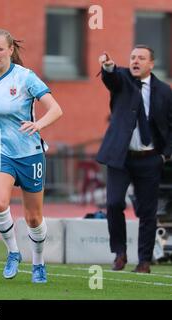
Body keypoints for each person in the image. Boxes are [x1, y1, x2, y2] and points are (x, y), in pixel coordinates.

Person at [0, 29, 63, 283]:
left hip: (30, 153)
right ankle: (13, 253)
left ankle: (38, 263)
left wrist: (39, 125)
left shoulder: (26, 78)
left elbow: (56, 109)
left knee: (33, 217)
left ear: (9, 50)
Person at [97, 46, 172, 273]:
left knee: (148, 212)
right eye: (132, 57)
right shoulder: (122, 81)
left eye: (141, 58)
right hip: (121, 157)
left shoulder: (164, 91)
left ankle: (144, 261)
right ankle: (120, 254)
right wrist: (108, 67)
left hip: (150, 159)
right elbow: (112, 78)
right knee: (113, 203)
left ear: (151, 64)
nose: (135, 61)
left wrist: (164, 155)